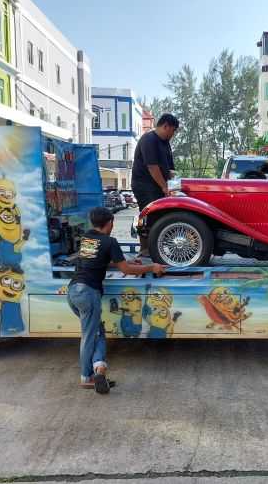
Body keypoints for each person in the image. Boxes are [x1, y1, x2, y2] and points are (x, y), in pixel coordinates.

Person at [68, 207, 167, 393]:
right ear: (110, 223)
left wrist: (128, 262)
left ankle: (99, 369)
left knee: (97, 332)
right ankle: (86, 377)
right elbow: (126, 271)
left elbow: (97, 260)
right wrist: (151, 267)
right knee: (89, 335)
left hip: (73, 291)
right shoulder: (109, 241)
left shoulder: (87, 239)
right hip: (88, 293)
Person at [131, 113, 179, 256]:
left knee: (163, 216)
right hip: (145, 185)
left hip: (158, 185)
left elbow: (170, 169)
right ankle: (145, 249)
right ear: (166, 126)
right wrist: (165, 187)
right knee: (148, 216)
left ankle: (157, 246)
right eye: (173, 130)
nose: (173, 134)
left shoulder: (165, 143)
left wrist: (175, 187)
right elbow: (153, 167)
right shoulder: (149, 140)